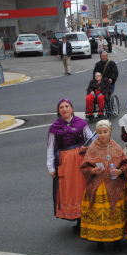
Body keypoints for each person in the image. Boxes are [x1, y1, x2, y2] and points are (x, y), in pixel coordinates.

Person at [80, 120, 127, 253]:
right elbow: (85, 166)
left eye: (105, 132)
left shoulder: (116, 147)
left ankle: (117, 240)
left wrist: (119, 171)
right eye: (100, 132)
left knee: (115, 214)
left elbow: (125, 164)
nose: (102, 135)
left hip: (115, 185)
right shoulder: (92, 148)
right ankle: (99, 241)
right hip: (98, 185)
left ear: (110, 132)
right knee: (99, 213)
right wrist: (92, 171)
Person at [47, 99, 92, 233]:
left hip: (81, 159)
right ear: (58, 110)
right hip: (65, 162)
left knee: (83, 187)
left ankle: (86, 218)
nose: (65, 109)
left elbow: (91, 139)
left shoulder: (81, 123)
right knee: (71, 190)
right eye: (62, 107)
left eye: (67, 106)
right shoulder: (54, 128)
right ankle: (78, 220)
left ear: (72, 109)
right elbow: (50, 148)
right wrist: (51, 167)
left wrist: (88, 149)